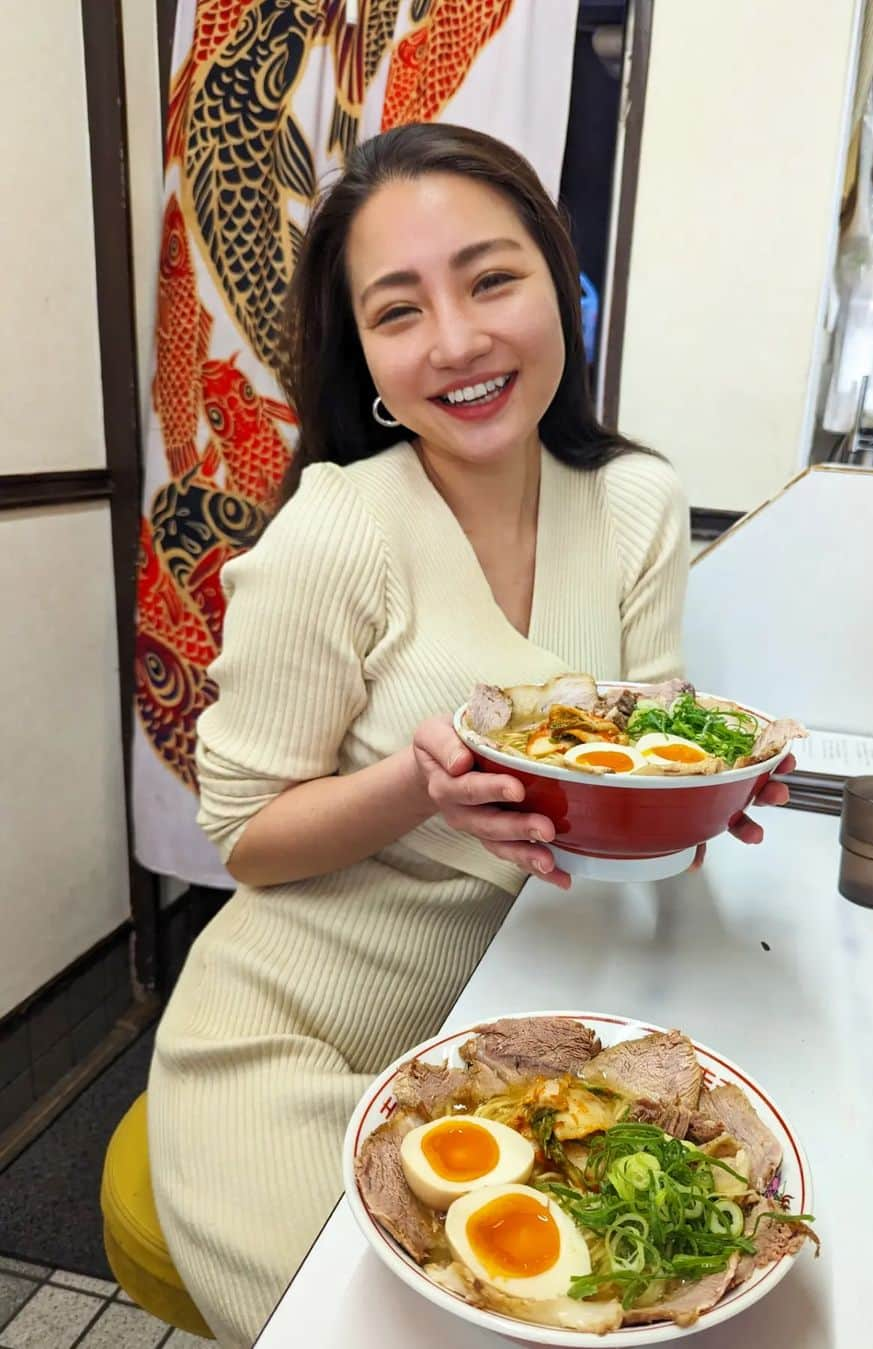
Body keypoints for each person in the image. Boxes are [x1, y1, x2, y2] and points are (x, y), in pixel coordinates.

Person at [147, 123, 792, 1347]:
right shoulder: (340, 528)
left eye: (493, 278)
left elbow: (642, 750)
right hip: (296, 1035)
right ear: (369, 362)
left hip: (529, 1026)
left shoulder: (638, 500)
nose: (456, 340)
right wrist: (419, 785)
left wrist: (689, 802)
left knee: (644, 1296)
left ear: (561, 279)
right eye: (399, 311)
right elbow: (246, 839)